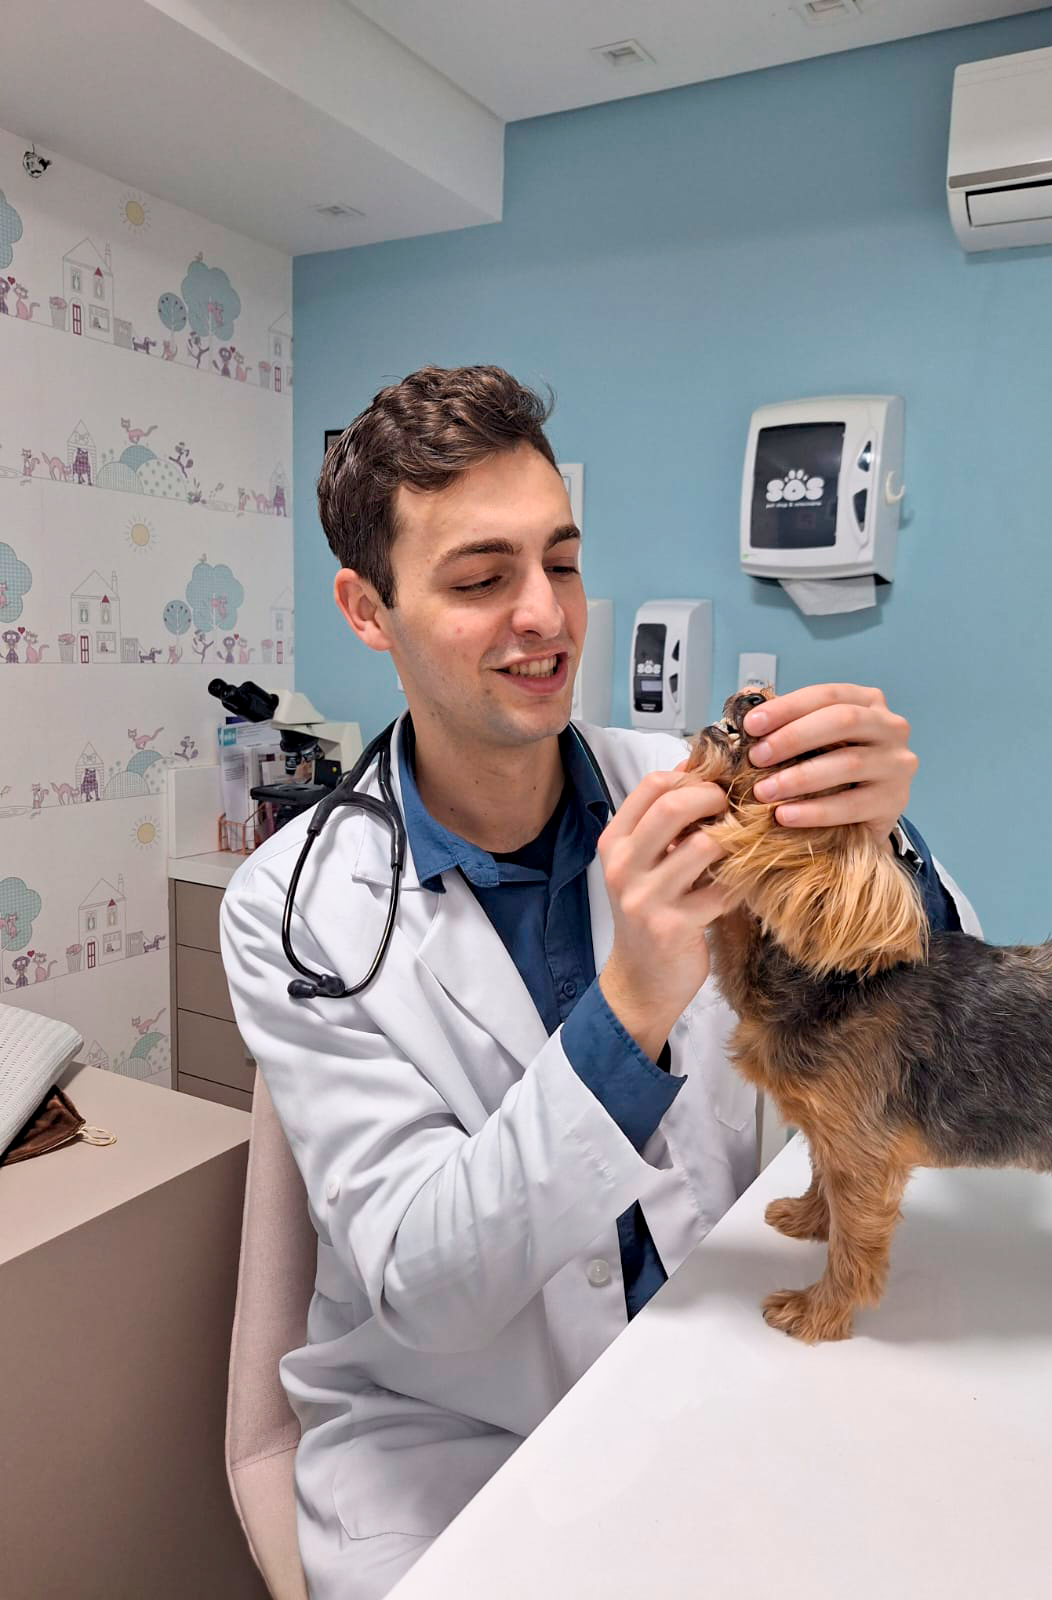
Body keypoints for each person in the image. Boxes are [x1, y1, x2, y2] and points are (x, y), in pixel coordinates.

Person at [220, 365, 978, 1600]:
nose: (546, 615)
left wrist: (880, 841)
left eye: (561, 562)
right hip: (451, 1445)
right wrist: (634, 999)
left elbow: (930, 1058)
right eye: (481, 579)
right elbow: (427, 1285)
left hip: (719, 1365)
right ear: (369, 609)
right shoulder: (294, 910)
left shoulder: (682, 795)